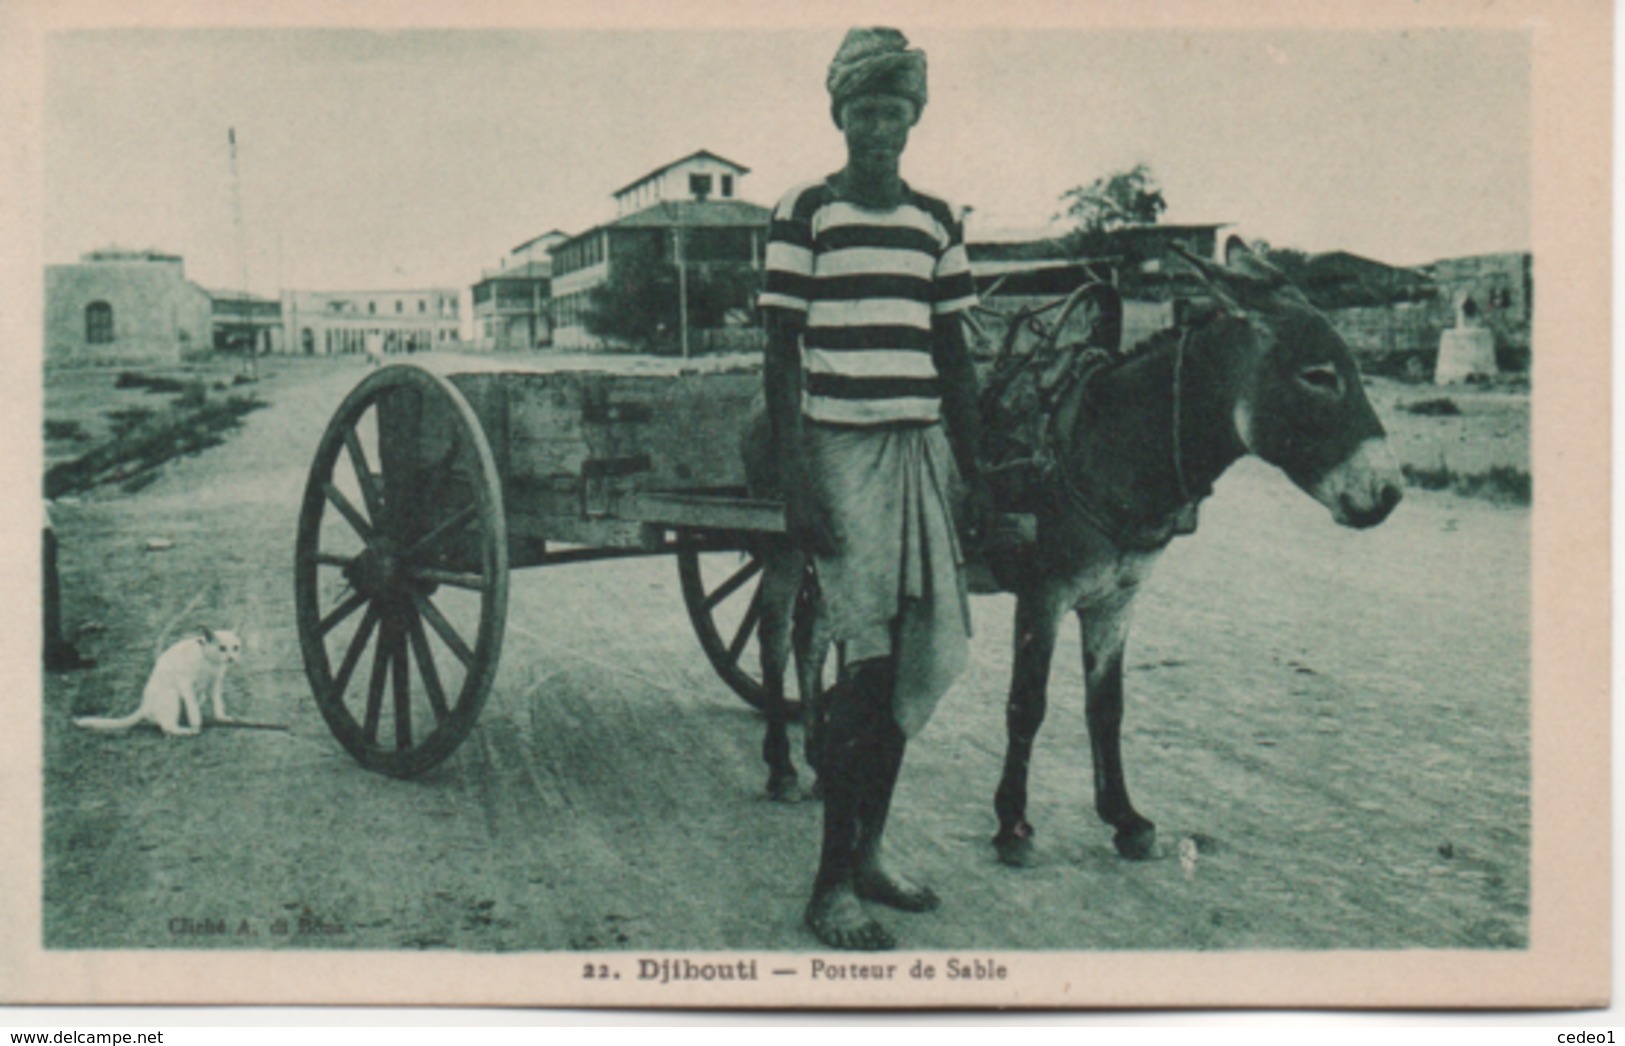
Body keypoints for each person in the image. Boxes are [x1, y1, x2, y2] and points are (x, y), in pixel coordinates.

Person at [759, 26, 995, 951]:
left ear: (913, 119)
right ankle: (828, 889)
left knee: (913, 664)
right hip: (840, 453)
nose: (877, 127)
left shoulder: (936, 221)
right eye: (862, 110)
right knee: (862, 676)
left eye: (893, 111)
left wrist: (971, 476)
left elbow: (954, 358)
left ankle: (869, 854)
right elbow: (780, 352)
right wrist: (795, 479)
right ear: (840, 116)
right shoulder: (804, 211)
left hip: (919, 454)